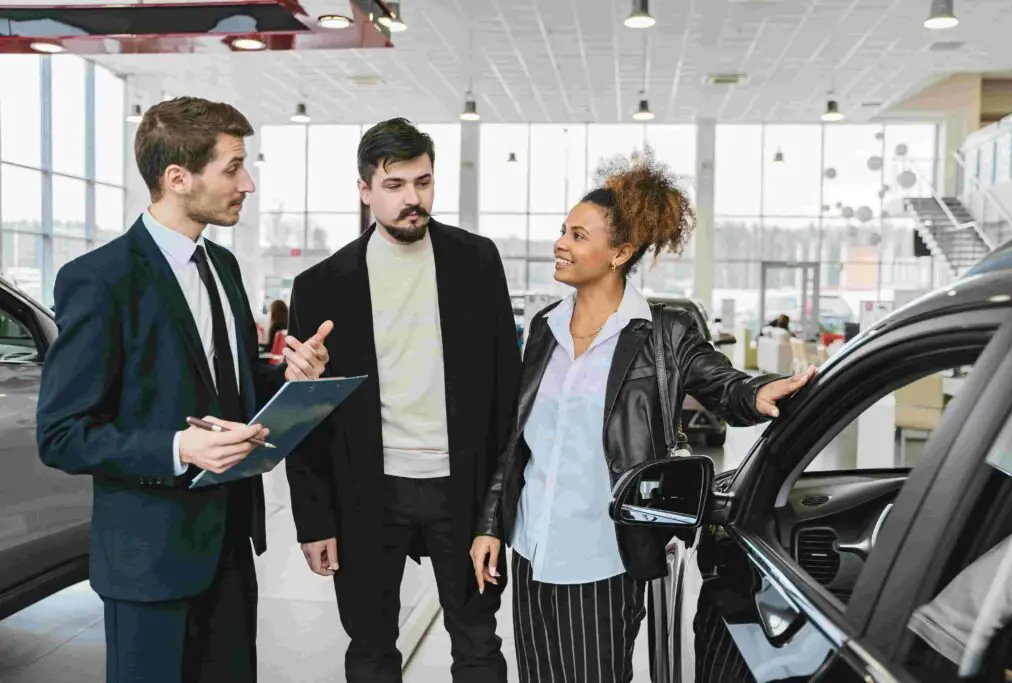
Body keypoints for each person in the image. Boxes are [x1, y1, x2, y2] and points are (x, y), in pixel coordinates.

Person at [471, 150, 816, 683]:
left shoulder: (661, 332)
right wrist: (491, 524)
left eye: (579, 235)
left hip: (604, 553)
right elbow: (517, 440)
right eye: (564, 230)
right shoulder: (545, 326)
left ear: (620, 253)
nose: (561, 243)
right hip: (532, 545)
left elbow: (721, 382)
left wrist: (764, 390)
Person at [35, 96, 332, 683]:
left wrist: (290, 376)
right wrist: (178, 449)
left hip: (228, 547)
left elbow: (231, 385)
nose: (246, 184)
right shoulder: (101, 280)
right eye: (232, 168)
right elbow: (62, 434)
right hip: (149, 560)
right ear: (177, 178)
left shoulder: (222, 269)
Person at [285, 118, 521, 683]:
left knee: (477, 637)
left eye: (423, 182)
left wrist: (499, 510)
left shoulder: (477, 261)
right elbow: (307, 414)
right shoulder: (320, 285)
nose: (412, 199)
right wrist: (313, 520)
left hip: (459, 489)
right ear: (365, 190)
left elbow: (505, 392)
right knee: (369, 644)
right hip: (367, 491)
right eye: (394, 186)